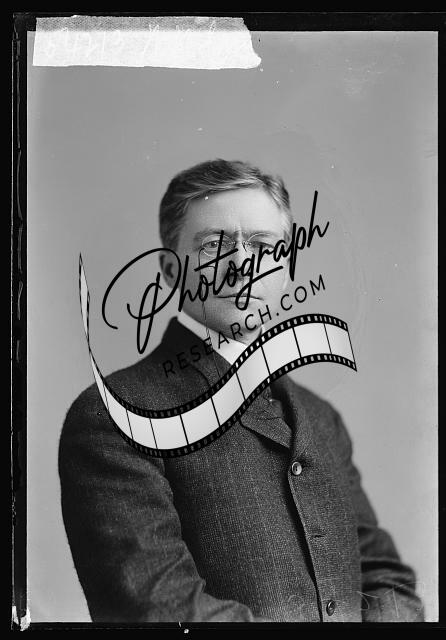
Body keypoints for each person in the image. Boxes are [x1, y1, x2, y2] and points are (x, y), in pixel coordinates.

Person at [59, 159, 424, 623]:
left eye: (263, 245)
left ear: (286, 268)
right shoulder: (115, 415)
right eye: (214, 245)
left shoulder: (321, 417)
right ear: (170, 271)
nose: (241, 264)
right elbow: (160, 607)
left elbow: (386, 579)